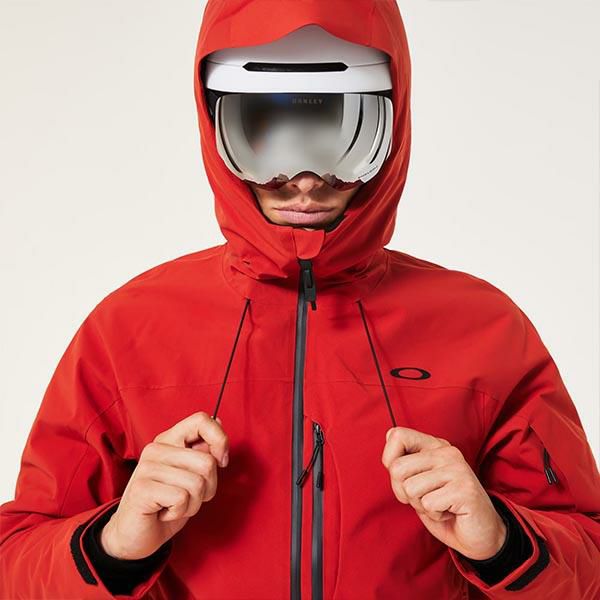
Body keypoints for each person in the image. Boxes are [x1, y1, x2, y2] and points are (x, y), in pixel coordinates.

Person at [1, 1, 599, 599]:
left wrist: (503, 543)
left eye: (344, 132)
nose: (306, 177)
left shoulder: (485, 328)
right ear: (215, 128)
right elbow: (15, 562)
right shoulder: (128, 329)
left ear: (392, 126)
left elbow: (590, 560)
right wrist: (112, 546)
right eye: (262, 131)